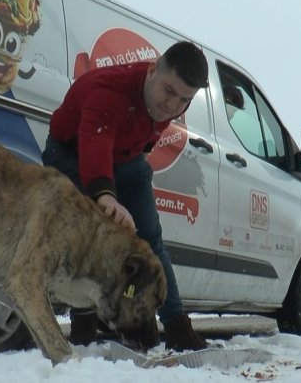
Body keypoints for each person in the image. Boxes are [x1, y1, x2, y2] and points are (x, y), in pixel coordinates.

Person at [41, 40, 209, 351]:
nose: (173, 105)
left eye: (184, 100)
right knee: (87, 238)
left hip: (125, 158)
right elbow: (94, 148)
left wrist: (126, 180)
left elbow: (147, 136)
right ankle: (84, 328)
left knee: (150, 239)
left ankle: (177, 327)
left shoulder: (168, 102)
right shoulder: (109, 93)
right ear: (152, 70)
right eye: (169, 91)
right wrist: (105, 195)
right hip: (71, 152)